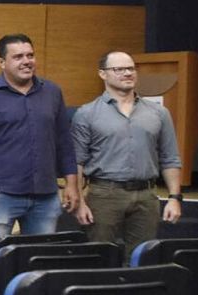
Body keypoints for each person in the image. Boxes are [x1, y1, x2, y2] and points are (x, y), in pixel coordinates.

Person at [0, 33, 80, 293]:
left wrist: (72, 185)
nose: (26, 61)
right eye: (18, 57)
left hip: (46, 195)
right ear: (1, 62)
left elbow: (64, 142)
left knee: (40, 259)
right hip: (0, 195)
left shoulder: (52, 92)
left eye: (30, 55)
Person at [73, 50, 181, 258]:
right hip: (104, 194)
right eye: (119, 69)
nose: (127, 73)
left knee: (143, 257)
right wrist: (80, 203)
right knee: (99, 257)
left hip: (147, 195)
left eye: (131, 68)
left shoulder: (159, 113)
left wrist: (174, 198)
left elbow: (170, 158)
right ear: (103, 74)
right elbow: (77, 161)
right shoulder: (86, 114)